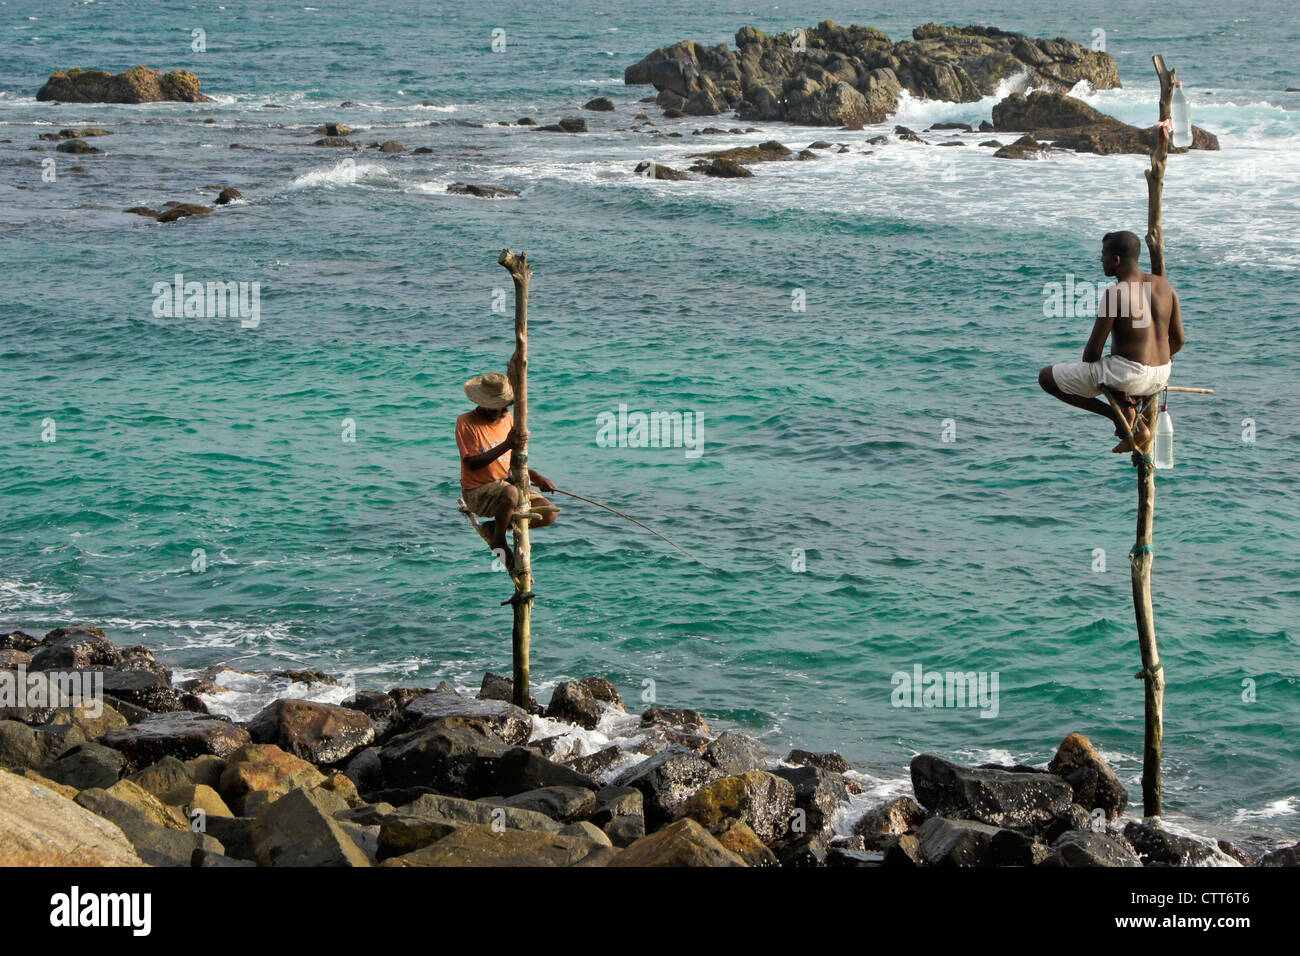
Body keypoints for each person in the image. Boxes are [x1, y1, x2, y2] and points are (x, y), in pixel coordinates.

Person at [1038, 231, 1186, 452]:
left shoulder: (1116, 293)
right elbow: (1179, 339)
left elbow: (1091, 355)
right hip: (1161, 375)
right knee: (1116, 369)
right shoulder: (1165, 287)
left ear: (1116, 260)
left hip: (1129, 375)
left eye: (1103, 255)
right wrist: (1159, 361)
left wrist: (1122, 362)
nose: (1101, 260)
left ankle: (1119, 419)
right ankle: (1132, 410)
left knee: (1046, 377)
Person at [456, 371, 558, 570]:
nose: (504, 410)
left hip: (506, 486)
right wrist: (506, 444)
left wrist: (537, 478)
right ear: (485, 405)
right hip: (479, 491)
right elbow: (472, 464)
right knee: (511, 492)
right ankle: (499, 540)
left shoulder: (508, 419)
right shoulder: (466, 422)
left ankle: (496, 528)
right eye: (498, 407)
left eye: (506, 405)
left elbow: (513, 462)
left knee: (549, 513)